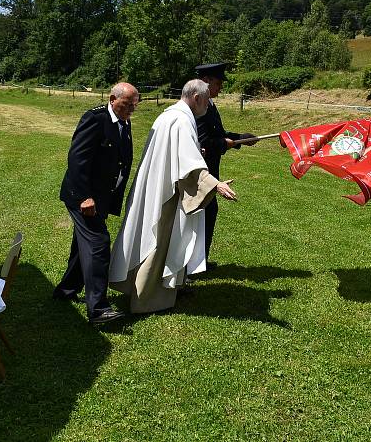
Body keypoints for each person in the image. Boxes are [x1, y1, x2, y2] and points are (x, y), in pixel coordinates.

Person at [109, 79, 238, 314]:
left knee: (153, 237)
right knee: (160, 240)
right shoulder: (180, 120)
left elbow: (180, 154)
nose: (209, 106)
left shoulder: (171, 115)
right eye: (207, 100)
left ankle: (146, 288)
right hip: (165, 193)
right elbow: (190, 166)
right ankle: (147, 298)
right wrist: (215, 185)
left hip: (159, 186)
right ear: (197, 98)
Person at [53, 82, 139, 325]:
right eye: (127, 104)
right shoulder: (95, 119)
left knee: (83, 247)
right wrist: (84, 197)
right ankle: (98, 310)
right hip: (82, 196)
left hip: (100, 197)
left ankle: (66, 290)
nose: (131, 109)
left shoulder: (124, 121)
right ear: (113, 98)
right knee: (98, 243)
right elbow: (77, 159)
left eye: (134, 106)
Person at [195, 62, 255, 267]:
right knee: (201, 215)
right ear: (206, 82)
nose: (221, 87)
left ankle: (199, 260)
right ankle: (192, 265)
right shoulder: (198, 108)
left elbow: (217, 134)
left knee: (209, 212)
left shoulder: (209, 105)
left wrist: (240, 138)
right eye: (218, 82)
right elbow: (202, 141)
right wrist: (225, 144)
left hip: (210, 171)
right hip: (199, 174)